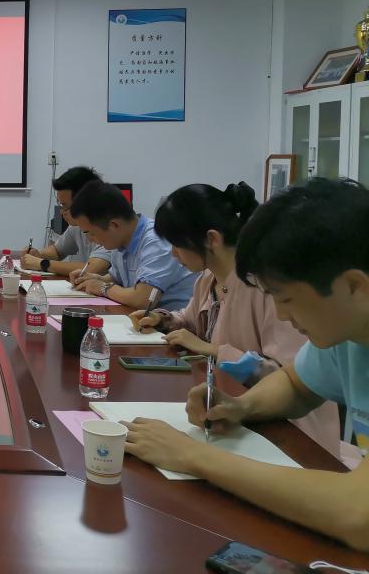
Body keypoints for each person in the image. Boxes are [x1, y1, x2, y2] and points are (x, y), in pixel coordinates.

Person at [124, 179, 369, 552]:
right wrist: (241, 406)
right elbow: (296, 383)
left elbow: (359, 515)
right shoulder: (346, 333)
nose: (282, 316)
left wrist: (193, 456)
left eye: (286, 299)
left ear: (355, 287)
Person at [131, 181, 341, 454]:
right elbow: (190, 319)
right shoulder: (208, 279)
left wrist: (216, 351)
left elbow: (288, 374)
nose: (173, 254)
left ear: (211, 239)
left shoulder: (266, 286)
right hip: (236, 413)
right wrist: (164, 320)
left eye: (177, 244)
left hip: (288, 431)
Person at [68, 180, 197, 310]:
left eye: (91, 233)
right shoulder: (120, 241)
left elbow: (142, 299)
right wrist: (97, 279)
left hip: (174, 320)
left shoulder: (156, 241)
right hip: (144, 318)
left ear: (114, 225)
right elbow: (118, 280)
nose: (90, 240)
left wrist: (102, 288)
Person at [21, 166, 113, 278]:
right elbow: (57, 251)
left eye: (64, 206)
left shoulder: (109, 226)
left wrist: (42, 263)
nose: (61, 212)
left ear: (83, 202)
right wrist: (37, 255)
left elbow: (92, 269)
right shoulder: (76, 225)